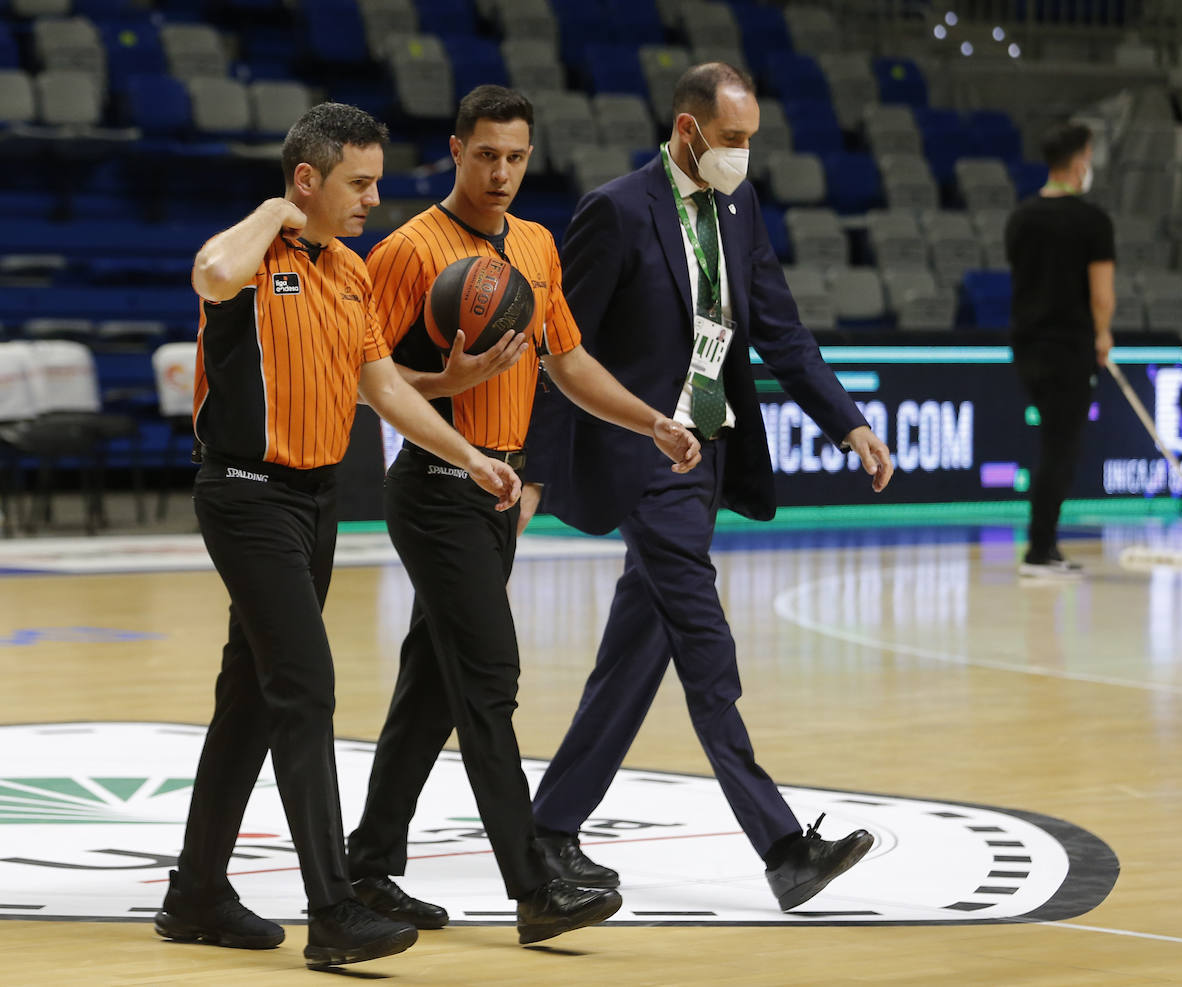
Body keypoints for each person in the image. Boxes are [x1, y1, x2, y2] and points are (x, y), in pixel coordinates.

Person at [154, 102, 524, 972]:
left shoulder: (351, 274)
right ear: (309, 180)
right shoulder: (250, 260)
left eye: (378, 183)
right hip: (246, 495)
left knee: (251, 694)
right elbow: (209, 273)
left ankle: (196, 891)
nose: (372, 199)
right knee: (306, 687)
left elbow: (385, 390)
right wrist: (278, 210)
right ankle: (333, 911)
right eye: (357, 184)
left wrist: (469, 452)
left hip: (315, 503)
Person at [520, 63, 894, 911]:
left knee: (636, 652)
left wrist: (848, 422)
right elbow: (558, 353)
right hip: (643, 457)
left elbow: (782, 329)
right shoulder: (615, 211)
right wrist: (537, 473)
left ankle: (547, 826)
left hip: (709, 456)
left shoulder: (739, 206)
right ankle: (784, 846)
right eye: (731, 140)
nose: (743, 155)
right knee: (705, 643)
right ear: (688, 132)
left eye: (750, 139)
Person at [344, 85, 700, 944]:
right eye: (486, 155)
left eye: (516, 157)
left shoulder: (539, 246)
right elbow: (368, 382)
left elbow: (568, 362)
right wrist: (450, 386)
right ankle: (532, 883)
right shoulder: (406, 251)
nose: (501, 172)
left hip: (498, 491)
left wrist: (651, 419)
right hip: (434, 486)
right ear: (457, 149)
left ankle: (369, 865)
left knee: (432, 687)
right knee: (490, 680)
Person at [1004, 121, 1115, 579]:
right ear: (1079, 161)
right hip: (1069, 348)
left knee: (1055, 445)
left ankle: (1043, 545)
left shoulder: (1021, 217)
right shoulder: (1092, 221)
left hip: (1028, 346)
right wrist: (1103, 334)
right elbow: (1101, 294)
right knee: (1060, 450)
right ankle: (1040, 548)